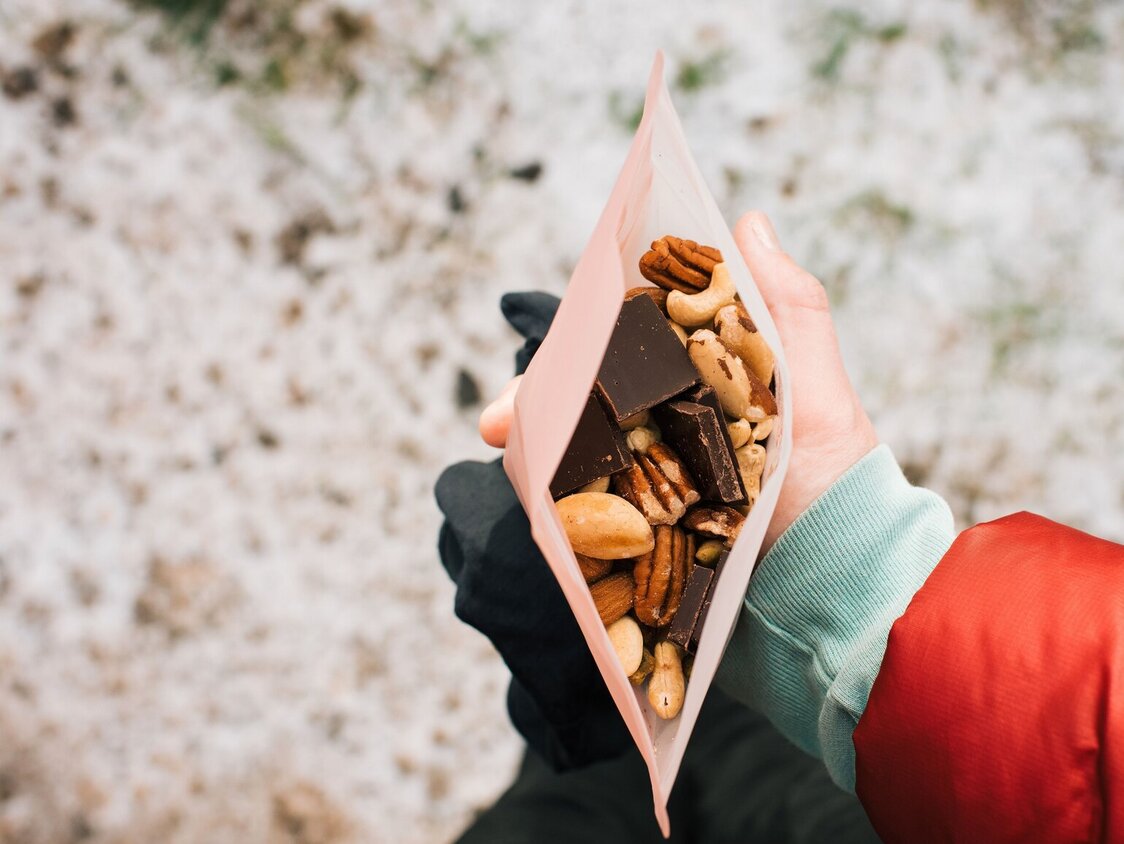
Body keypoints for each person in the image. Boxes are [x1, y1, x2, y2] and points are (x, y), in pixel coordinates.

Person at [436, 212, 1124, 842]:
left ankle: (658, 726)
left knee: (563, 810)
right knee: (708, 770)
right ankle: (686, 713)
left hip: (896, 789)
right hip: (892, 784)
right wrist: (841, 584)